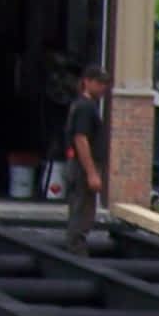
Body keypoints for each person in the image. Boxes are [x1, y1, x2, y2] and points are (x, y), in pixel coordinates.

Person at [63, 64, 110, 252]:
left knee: (81, 206)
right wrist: (92, 173)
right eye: (99, 82)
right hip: (83, 167)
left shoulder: (81, 105)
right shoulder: (85, 107)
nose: (103, 87)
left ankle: (75, 246)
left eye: (104, 83)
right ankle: (76, 249)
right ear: (87, 82)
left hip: (80, 165)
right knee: (82, 209)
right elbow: (81, 139)